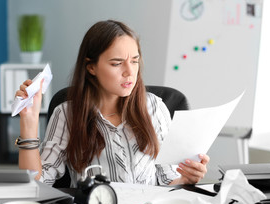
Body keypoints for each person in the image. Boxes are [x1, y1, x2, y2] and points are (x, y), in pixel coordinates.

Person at [15, 20, 209, 187]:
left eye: (134, 61)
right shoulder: (67, 114)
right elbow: (36, 184)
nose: (129, 72)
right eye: (117, 63)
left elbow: (166, 179)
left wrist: (185, 178)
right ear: (91, 67)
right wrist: (29, 124)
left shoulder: (155, 108)